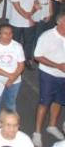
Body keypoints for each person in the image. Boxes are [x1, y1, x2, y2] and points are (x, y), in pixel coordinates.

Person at [32, 12, 65, 147]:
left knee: (59, 101)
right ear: (59, 22)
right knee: (44, 103)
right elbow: (37, 56)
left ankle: (52, 126)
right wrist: (57, 65)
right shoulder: (47, 36)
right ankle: (37, 133)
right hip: (48, 75)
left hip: (63, 76)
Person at [0, 22, 25, 127]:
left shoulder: (17, 46)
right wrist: (9, 76)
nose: (8, 36)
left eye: (10, 33)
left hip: (15, 80)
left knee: (11, 103)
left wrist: (12, 78)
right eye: (5, 33)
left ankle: (11, 125)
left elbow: (21, 65)